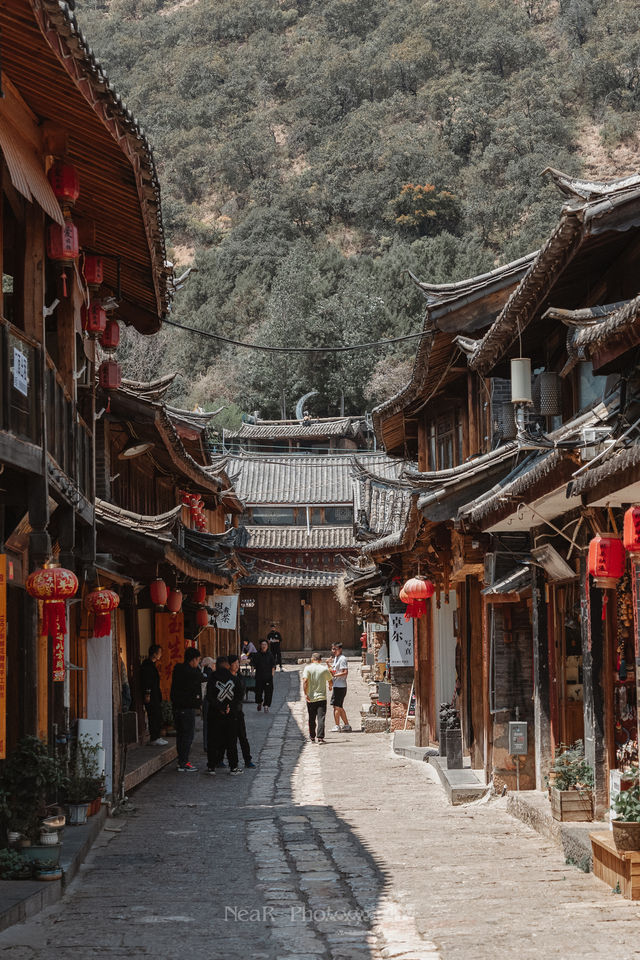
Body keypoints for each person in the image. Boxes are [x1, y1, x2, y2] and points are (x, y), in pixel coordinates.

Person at [206, 656, 241, 775]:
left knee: (213, 740)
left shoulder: (212, 679)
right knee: (231, 741)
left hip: (215, 714)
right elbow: (238, 696)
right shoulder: (234, 679)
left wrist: (219, 707)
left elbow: (209, 696)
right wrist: (228, 707)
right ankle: (233, 767)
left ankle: (211, 766)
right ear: (227, 665)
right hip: (230, 714)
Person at [170, 647, 202, 772]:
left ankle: (181, 761)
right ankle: (184, 762)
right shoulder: (192, 672)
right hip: (187, 708)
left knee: (181, 736)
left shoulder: (177, 669)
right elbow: (201, 677)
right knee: (187, 736)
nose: (198, 663)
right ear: (193, 659)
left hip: (177, 707)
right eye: (198, 660)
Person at [228, 655, 256, 768]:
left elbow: (241, 693)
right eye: (235, 663)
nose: (237, 666)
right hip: (227, 712)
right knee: (229, 738)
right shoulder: (226, 677)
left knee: (243, 737)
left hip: (238, 711)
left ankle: (247, 759)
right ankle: (224, 760)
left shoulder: (239, 678)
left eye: (238, 663)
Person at [302, 651, 333, 744]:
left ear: (312, 659)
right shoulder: (324, 669)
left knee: (311, 718)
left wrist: (305, 693)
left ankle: (312, 736)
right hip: (321, 697)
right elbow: (330, 680)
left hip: (311, 698)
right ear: (320, 660)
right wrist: (330, 686)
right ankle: (320, 737)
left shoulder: (307, 669)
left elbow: (305, 681)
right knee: (321, 718)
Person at [140, 644, 166, 745]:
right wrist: (147, 694)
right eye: (159, 652)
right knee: (153, 715)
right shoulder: (147, 665)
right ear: (154, 654)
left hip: (155, 694)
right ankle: (154, 737)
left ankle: (157, 736)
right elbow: (147, 681)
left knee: (157, 715)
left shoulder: (152, 665)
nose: (161, 654)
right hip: (151, 695)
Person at [329, 641, 351, 732]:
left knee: (336, 707)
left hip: (340, 686)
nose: (333, 651)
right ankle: (346, 725)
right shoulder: (336, 658)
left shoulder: (342, 659)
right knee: (339, 706)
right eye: (332, 649)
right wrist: (327, 664)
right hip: (337, 685)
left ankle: (337, 725)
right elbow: (334, 670)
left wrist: (335, 676)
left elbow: (345, 672)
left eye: (335, 649)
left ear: (340, 649)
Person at [252, 639, 276, 712]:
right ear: (260, 646)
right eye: (262, 644)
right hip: (259, 676)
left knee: (268, 692)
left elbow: (273, 666)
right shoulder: (257, 655)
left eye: (265, 645)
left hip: (268, 676)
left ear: (267, 646)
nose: (264, 646)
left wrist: (272, 675)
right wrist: (252, 672)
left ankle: (266, 706)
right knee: (258, 692)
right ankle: (259, 702)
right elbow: (253, 664)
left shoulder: (270, 655)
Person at [200, 656, 215, 752]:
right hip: (208, 699)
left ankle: (207, 743)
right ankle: (208, 743)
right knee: (208, 722)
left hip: (205, 699)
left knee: (206, 722)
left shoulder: (203, 672)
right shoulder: (209, 673)